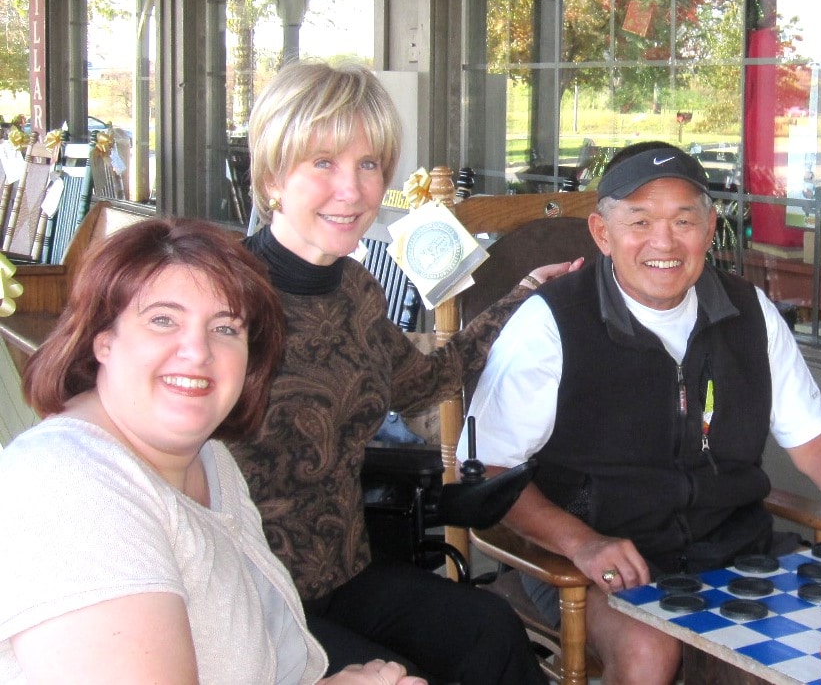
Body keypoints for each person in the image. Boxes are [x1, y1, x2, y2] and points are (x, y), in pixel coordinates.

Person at [462, 140, 821, 684]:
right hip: (594, 563)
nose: (664, 242)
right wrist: (580, 541)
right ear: (603, 234)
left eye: (683, 220)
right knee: (652, 648)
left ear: (710, 227)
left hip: (733, 555)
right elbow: (488, 469)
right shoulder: (551, 323)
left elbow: (815, 443)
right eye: (640, 221)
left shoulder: (748, 313)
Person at [231, 60, 578, 685]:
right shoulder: (221, 295)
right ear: (273, 174)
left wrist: (523, 295)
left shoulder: (356, 288)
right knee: (403, 675)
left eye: (369, 165)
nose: (354, 189)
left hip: (344, 573)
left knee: (489, 630)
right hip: (249, 594)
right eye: (324, 163)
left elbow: (424, 380)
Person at [0, 218, 425, 684]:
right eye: (163, 320)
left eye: (225, 328)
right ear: (103, 339)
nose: (197, 351)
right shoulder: (70, 489)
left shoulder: (210, 458)